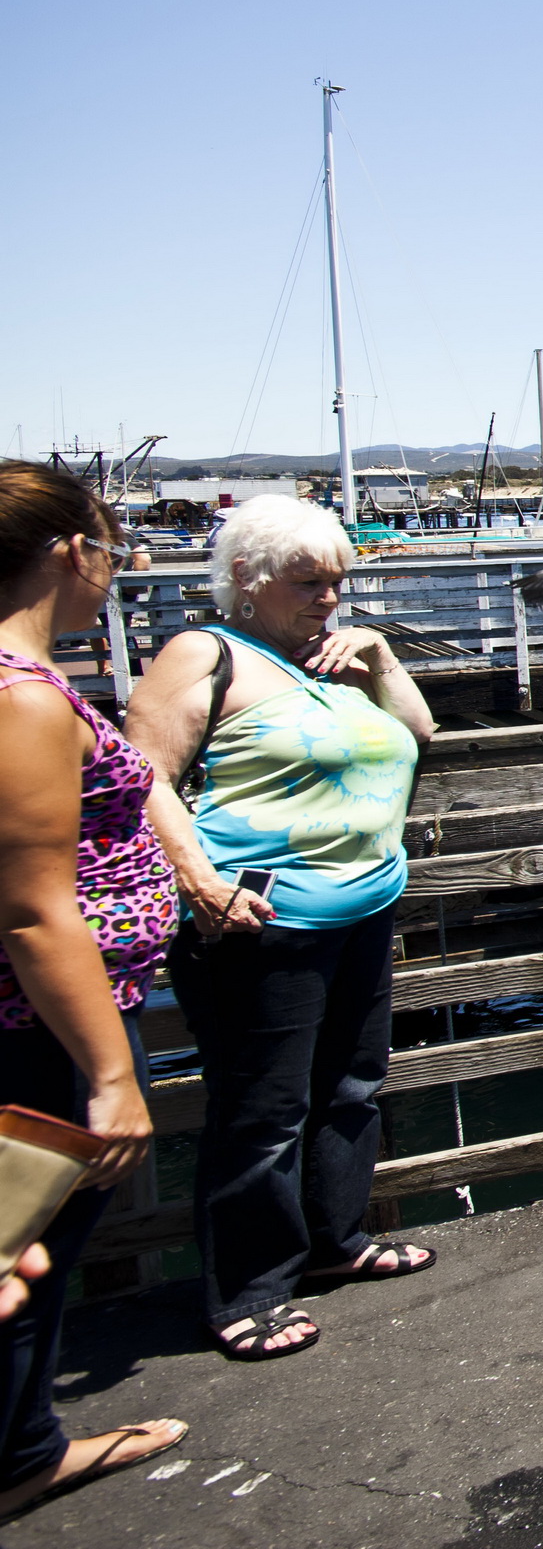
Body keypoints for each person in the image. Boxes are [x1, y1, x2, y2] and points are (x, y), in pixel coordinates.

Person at [128, 495, 436, 1362]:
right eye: (308, 583)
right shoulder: (206, 653)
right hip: (264, 919)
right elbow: (143, 772)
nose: (328, 600)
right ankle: (250, 1291)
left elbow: (418, 730)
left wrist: (378, 657)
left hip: (364, 903)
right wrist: (197, 877)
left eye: (338, 584)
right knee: (263, 1110)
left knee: (350, 1088)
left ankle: (335, 1243)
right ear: (245, 581)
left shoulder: (334, 656)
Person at [0, 463, 186, 1507]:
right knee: (25, 1235)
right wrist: (112, 1079)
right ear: (71, 551)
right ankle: (22, 1458)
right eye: (113, 550)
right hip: (39, 1028)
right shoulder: (22, 697)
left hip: (34, 1020)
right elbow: (35, 908)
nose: (118, 573)